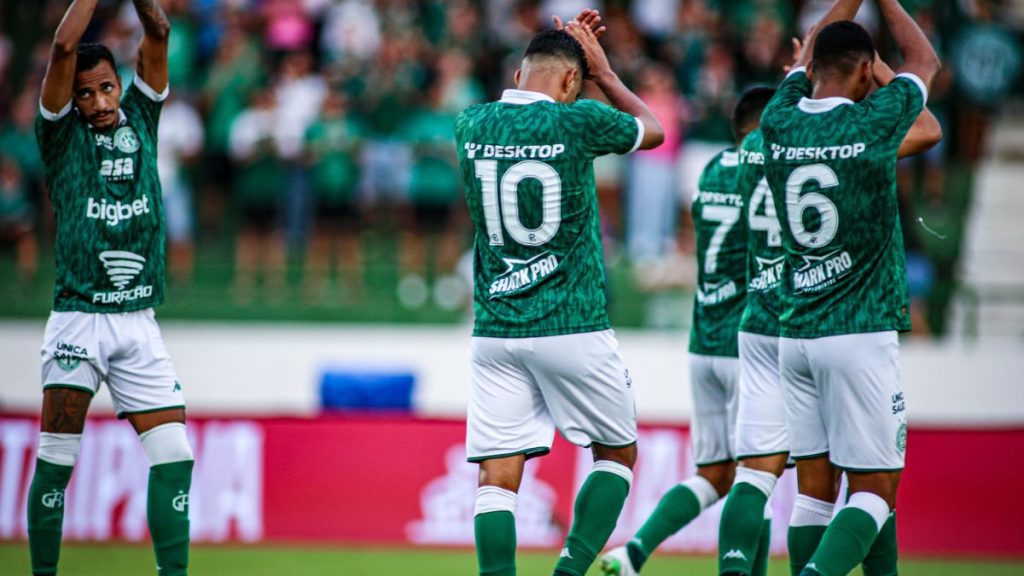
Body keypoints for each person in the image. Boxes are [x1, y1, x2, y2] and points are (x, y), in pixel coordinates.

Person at [454, 9, 664, 576]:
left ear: (520, 75)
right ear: (572, 81)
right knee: (616, 454)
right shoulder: (581, 122)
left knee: (497, 475)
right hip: (573, 322)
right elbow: (655, 129)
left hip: (496, 329)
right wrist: (606, 73)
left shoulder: (470, 123)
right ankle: (569, 571)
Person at [760, 1, 942, 574]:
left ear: (810, 68)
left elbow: (815, 51)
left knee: (814, 494)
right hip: (859, 335)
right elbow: (924, 61)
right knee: (874, 492)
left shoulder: (778, 118)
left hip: (795, 336)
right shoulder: (874, 122)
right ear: (866, 73)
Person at [28, 1, 193, 576]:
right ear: (68, 101)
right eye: (84, 95)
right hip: (79, 317)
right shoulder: (61, 140)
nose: (97, 103)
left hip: (138, 321)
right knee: (57, 460)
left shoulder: (143, 119)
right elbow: (62, 49)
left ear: (119, 85)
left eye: (105, 89)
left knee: (175, 454)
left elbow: (159, 29)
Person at [600, 87, 776, 576]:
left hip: (703, 342)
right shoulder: (770, 170)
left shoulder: (713, 168)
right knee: (755, 476)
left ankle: (633, 552)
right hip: (748, 342)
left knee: (716, 475)